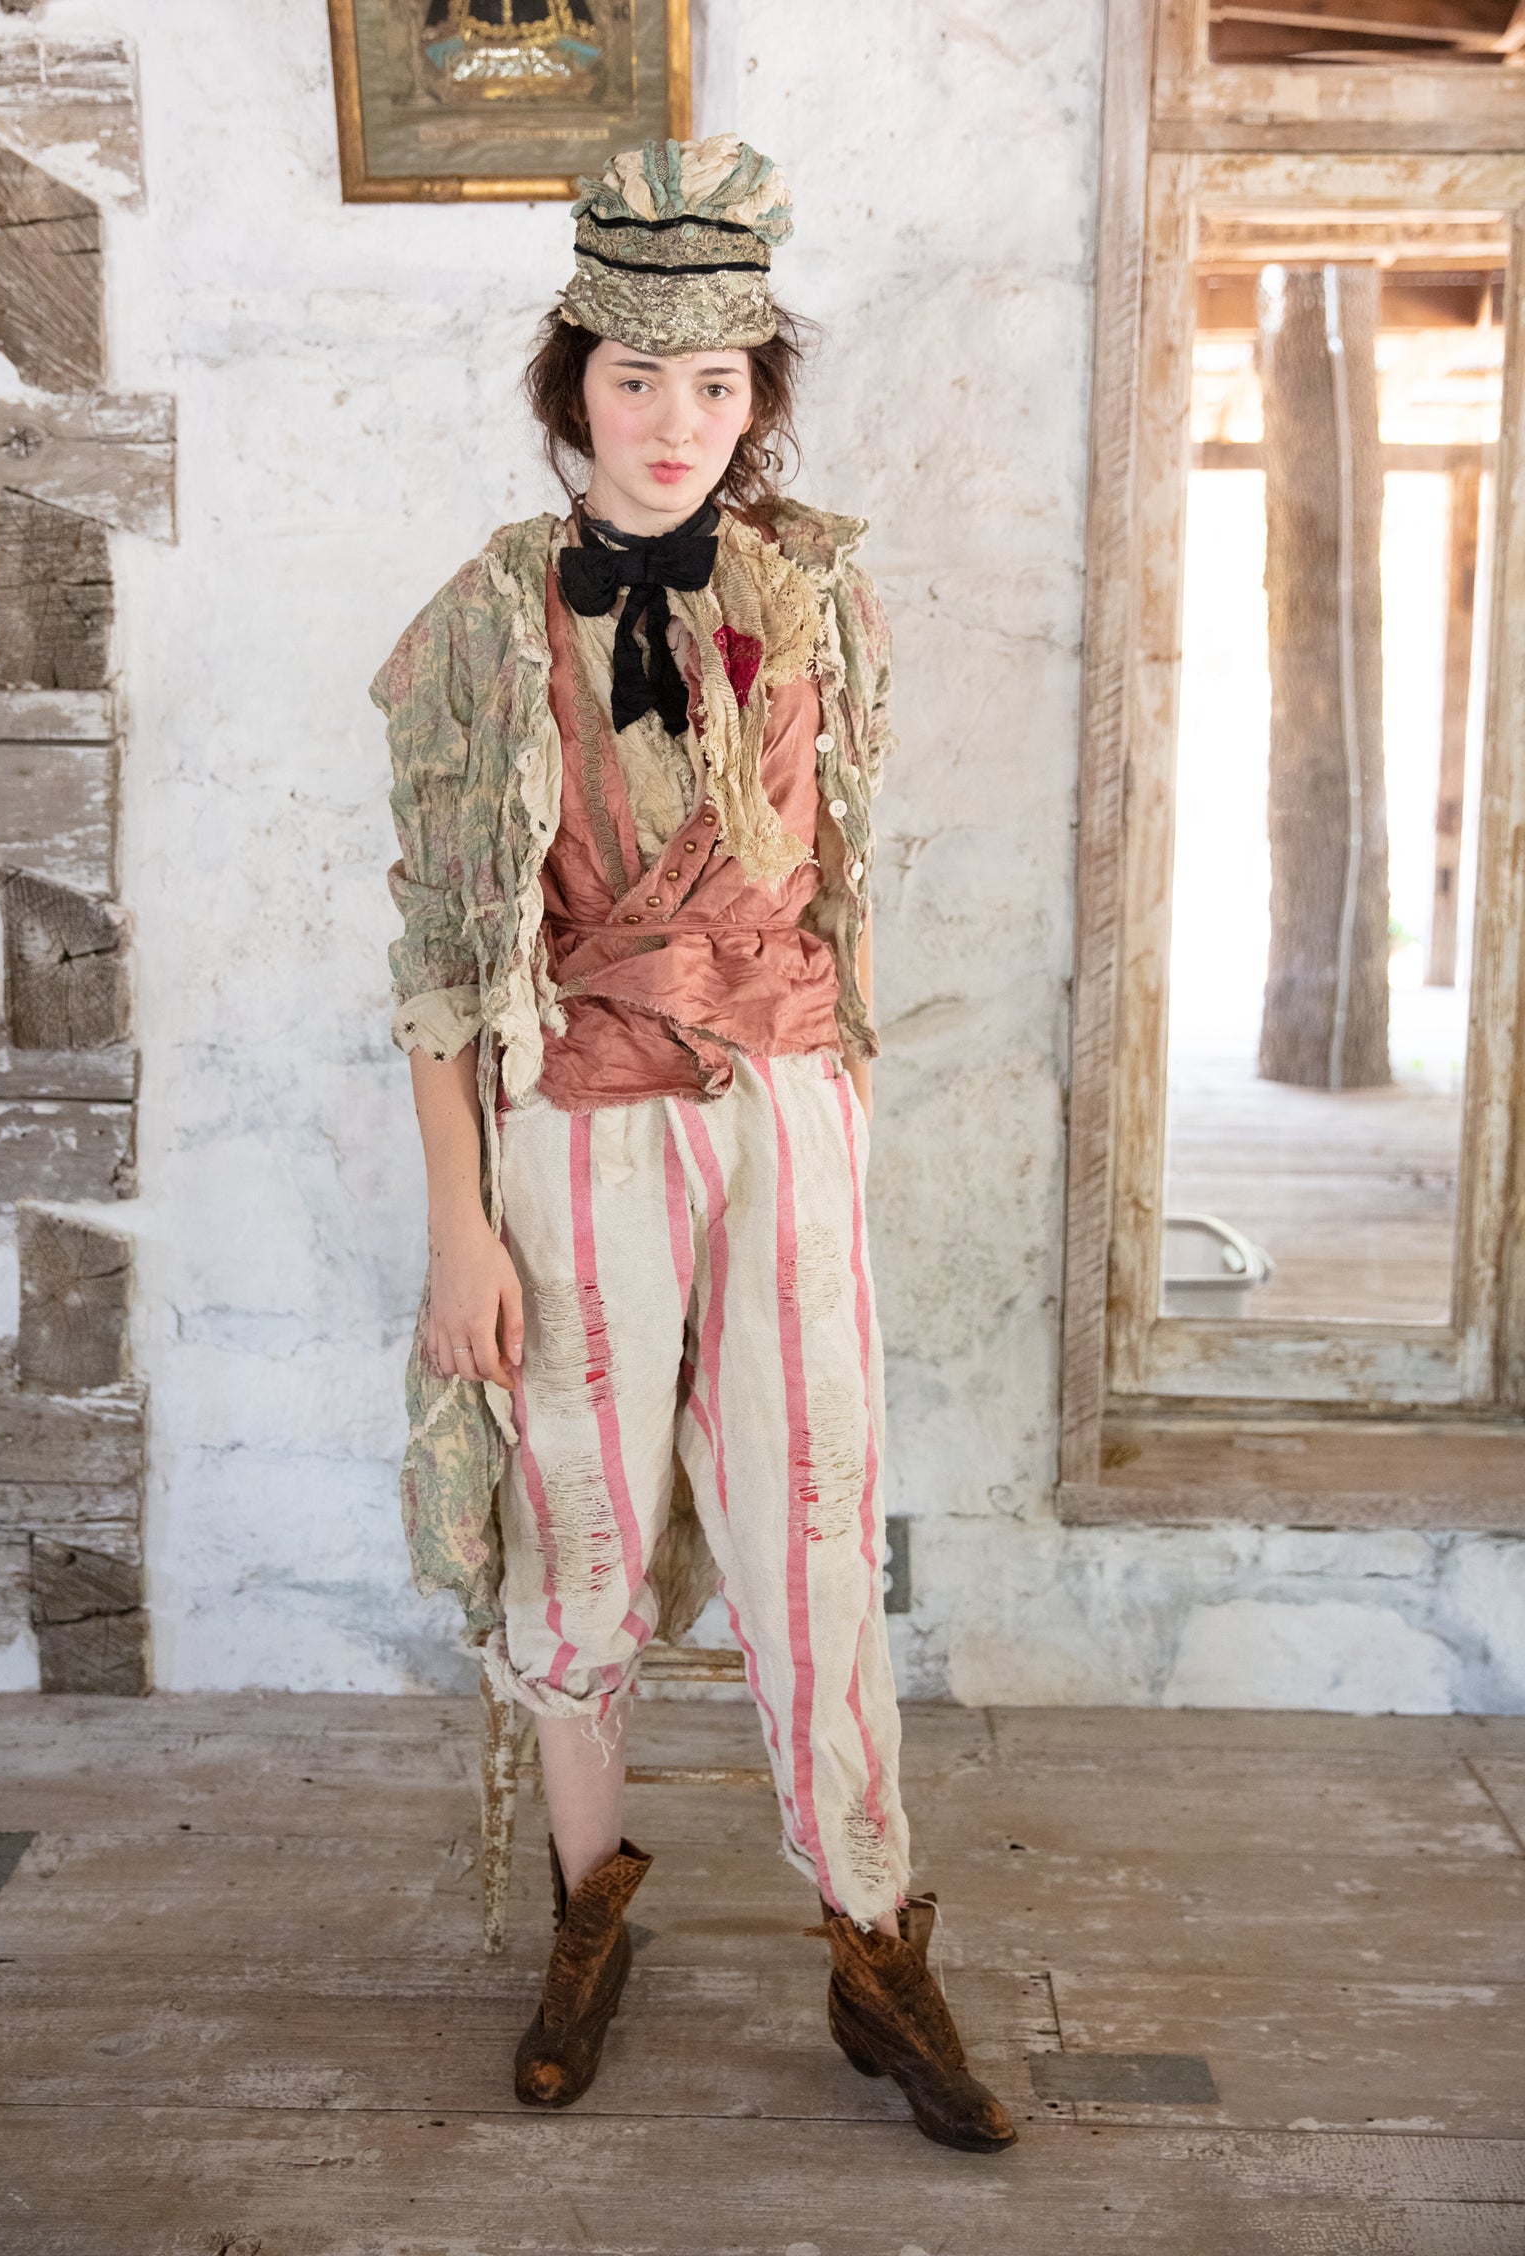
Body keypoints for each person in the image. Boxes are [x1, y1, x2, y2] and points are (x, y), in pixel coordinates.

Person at [369, 132, 1017, 2154]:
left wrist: (820, 1100)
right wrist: (458, 1231)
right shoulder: (486, 623)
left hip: (783, 1117)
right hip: (575, 1129)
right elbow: (439, 956)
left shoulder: (814, 594)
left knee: (815, 1516)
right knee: (575, 1521)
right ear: (571, 384)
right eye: (635, 378)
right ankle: (589, 1911)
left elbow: (836, 885)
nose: (673, 421)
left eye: (715, 384)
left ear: (757, 399)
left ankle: (873, 1941)